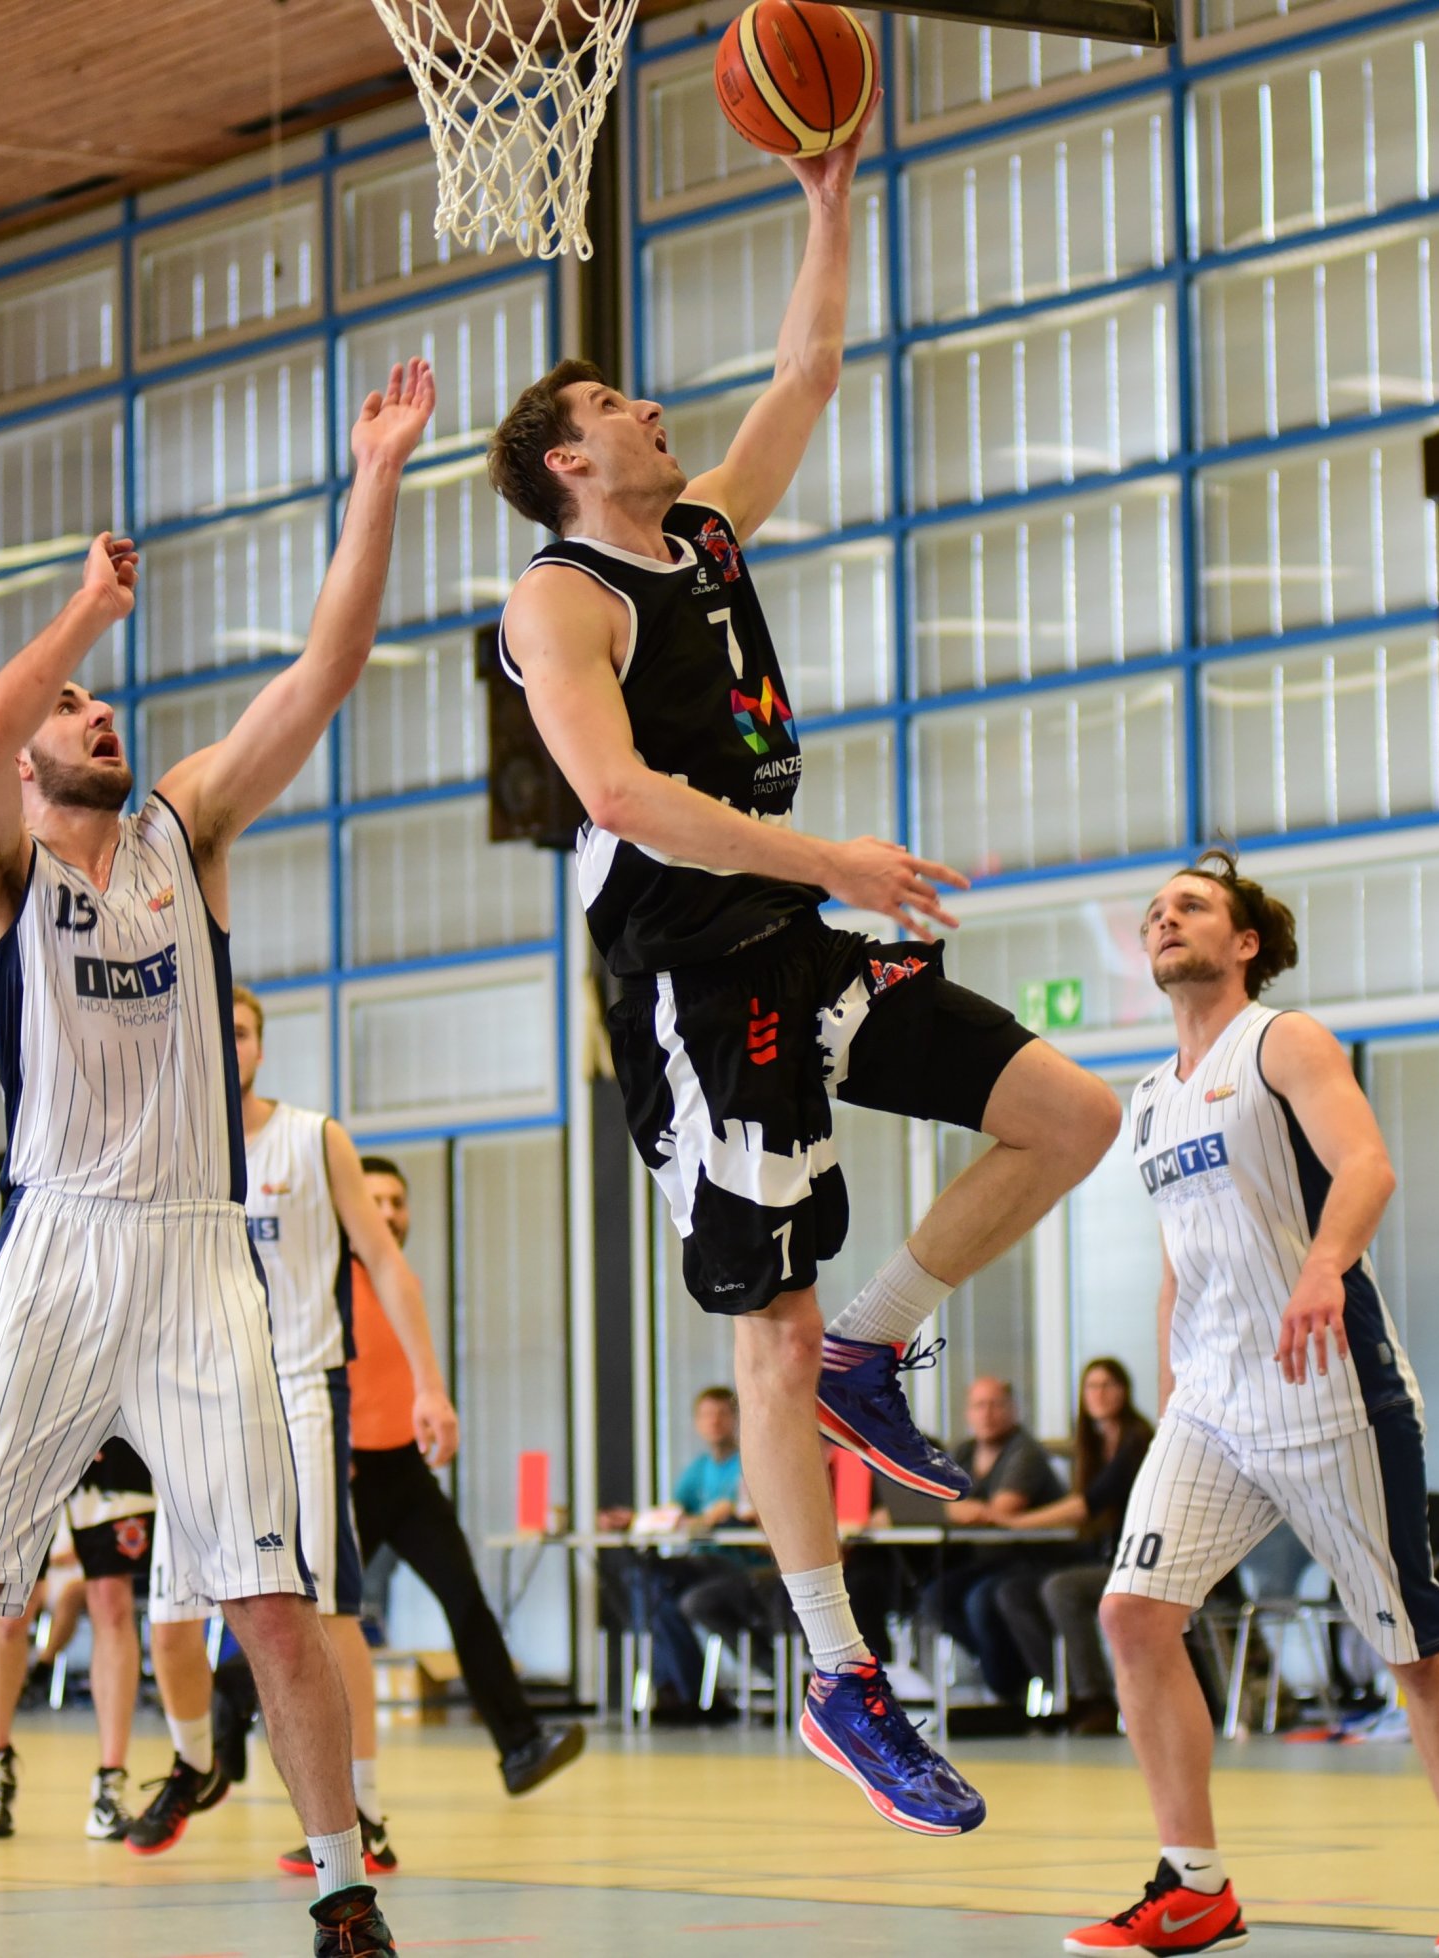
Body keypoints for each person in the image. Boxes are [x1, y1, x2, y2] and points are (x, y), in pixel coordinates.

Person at [0, 358, 435, 1958]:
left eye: (98, 700)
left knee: (270, 1593)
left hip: (200, 1249)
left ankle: (344, 1897)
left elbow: (326, 669)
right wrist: (79, 616)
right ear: (39, 767)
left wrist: (378, 474)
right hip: (58, 1247)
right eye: (76, 712)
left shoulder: (185, 832)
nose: (95, 710)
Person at [487, 97, 1119, 1839]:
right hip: (693, 976)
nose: (647, 403)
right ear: (565, 456)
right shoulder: (558, 604)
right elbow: (621, 799)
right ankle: (842, 1682)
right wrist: (836, 855)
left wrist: (828, 198)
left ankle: (876, 1347)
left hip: (792, 927)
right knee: (758, 1326)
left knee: (1071, 1112)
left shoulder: (699, 534)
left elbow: (810, 374)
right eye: (613, 400)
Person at [1067, 850, 1439, 1956]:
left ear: (1246, 942)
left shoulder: (1285, 1040)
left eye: (1191, 906)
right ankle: (1194, 1883)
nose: (1164, 919)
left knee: (1411, 1647)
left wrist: (1326, 1265)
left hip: (1331, 1391)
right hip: (1214, 1404)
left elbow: (1366, 1165)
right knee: (1132, 1612)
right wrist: (1171, 1370)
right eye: (1153, 912)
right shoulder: (1149, 1098)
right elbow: (1185, 1248)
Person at [138, 984, 458, 1880]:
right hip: (194, 1398)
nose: (226, 1044)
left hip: (299, 1392)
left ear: (259, 1048)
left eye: (239, 1031)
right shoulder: (168, 1149)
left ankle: (358, 1808)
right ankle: (197, 1763)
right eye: (213, 1031)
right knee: (170, 1621)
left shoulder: (316, 1140)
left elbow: (388, 1267)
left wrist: (430, 1386)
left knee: (314, 1612)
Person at [345, 1156, 586, 1794]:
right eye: (376, 1202)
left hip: (404, 1470)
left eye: (399, 1201)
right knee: (320, 1621)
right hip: (346, 1471)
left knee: (466, 1601)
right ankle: (227, 1712)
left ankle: (520, 1748)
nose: (391, 1214)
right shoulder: (325, 1283)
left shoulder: (402, 1281)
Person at [0, 1151, 158, 1843]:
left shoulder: (123, 1165)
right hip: (26, 1415)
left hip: (114, 1416)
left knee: (110, 1603)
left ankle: (110, 1780)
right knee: (7, 1608)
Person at [987, 1358, 1152, 1733]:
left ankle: (1094, 1698)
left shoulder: (1137, 1441)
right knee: (1012, 1591)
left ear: (1124, 1391)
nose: (1100, 1394)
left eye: (1108, 1385)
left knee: (1061, 1588)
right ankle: (1062, 1691)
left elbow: (1085, 1505)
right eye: (1092, 1386)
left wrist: (1015, 1522)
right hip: (1107, 1557)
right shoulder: (1093, 1447)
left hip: (1140, 1564)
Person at [600, 1386, 759, 1719]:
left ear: (735, 1420)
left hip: (736, 1564)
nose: (714, 1422)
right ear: (696, 1423)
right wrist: (638, 1519)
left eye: (722, 1414)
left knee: (659, 1586)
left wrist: (706, 1518)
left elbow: (738, 1516)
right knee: (646, 1583)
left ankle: (681, 1687)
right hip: (700, 1562)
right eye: (706, 1415)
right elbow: (675, 1514)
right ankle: (680, 1688)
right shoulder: (698, 1469)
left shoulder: (750, 1464)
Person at [919, 1377, 1065, 1705]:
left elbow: (1001, 1509)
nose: (987, 1414)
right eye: (979, 1405)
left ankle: (1007, 1689)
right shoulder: (964, 1451)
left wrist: (954, 1509)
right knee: (935, 1597)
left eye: (995, 1404)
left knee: (981, 1600)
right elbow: (932, 1497)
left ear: (1014, 1409)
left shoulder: (1024, 1451)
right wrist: (958, 1509)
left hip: (1035, 1556)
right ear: (968, 1413)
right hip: (987, 1560)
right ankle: (999, 1669)